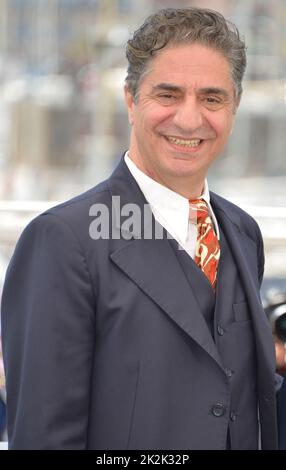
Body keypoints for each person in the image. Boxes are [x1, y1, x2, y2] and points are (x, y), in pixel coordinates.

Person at [1, 7, 283, 450]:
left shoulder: (241, 232)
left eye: (211, 98)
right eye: (168, 95)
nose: (190, 120)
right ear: (131, 99)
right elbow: (44, 437)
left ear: (234, 107)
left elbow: (237, 400)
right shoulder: (62, 241)